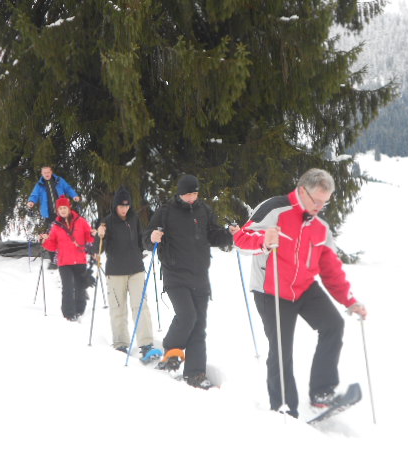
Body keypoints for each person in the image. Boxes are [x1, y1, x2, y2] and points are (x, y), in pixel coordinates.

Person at [233, 168, 367, 418]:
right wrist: (264, 238)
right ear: (302, 190)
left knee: (333, 325)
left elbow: (330, 270)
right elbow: (241, 238)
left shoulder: (320, 227)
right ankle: (284, 406)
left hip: (304, 288)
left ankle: (322, 392)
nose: (319, 206)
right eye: (316, 200)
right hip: (271, 290)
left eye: (324, 202)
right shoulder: (276, 208)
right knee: (281, 349)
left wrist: (350, 301)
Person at [144, 174, 239, 389]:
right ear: (180, 193)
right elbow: (147, 237)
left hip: (199, 275)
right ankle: (171, 349)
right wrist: (152, 238)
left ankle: (195, 374)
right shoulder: (166, 211)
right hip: (175, 273)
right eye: (188, 194)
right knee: (187, 316)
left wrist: (229, 234)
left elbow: (213, 235)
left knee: (199, 326)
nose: (192, 197)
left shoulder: (203, 210)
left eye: (195, 193)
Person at [96, 188, 155, 358]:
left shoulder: (134, 219)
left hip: (136, 269)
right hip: (116, 272)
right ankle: (121, 343)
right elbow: (98, 250)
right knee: (118, 308)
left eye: (127, 205)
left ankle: (146, 343)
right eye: (121, 206)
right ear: (115, 205)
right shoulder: (107, 222)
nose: (124, 209)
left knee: (140, 306)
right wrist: (99, 236)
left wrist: (152, 242)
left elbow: (141, 241)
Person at [40, 196, 96, 321]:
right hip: (64, 262)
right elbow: (52, 246)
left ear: (69, 208)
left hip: (80, 260)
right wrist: (44, 240)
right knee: (68, 288)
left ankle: (80, 310)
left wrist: (92, 234)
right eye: (60, 208)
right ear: (58, 210)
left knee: (80, 286)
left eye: (65, 207)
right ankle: (68, 314)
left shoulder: (81, 221)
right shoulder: (56, 226)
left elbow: (89, 238)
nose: (63, 210)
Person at [27, 166, 80, 269]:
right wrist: (31, 201)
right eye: (44, 173)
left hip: (62, 214)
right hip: (49, 215)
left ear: (51, 172)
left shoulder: (59, 181)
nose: (46, 174)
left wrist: (74, 195)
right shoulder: (40, 184)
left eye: (48, 172)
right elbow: (34, 195)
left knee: (66, 236)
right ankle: (54, 260)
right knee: (51, 237)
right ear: (42, 174)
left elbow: (68, 188)